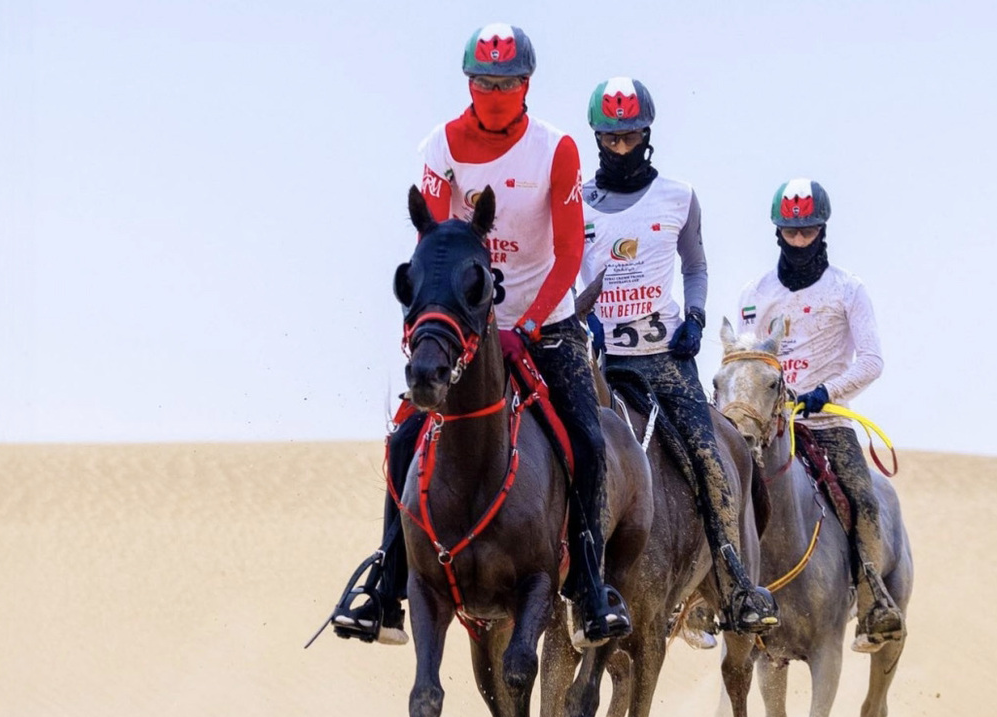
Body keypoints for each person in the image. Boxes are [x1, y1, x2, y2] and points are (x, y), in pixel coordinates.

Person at [331, 23, 629, 646]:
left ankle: (592, 589)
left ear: (526, 85)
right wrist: (428, 326)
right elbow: (434, 249)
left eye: (507, 83)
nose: (495, 92)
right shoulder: (440, 146)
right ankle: (385, 589)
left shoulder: (558, 150)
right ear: (468, 82)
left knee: (588, 440)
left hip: (546, 322)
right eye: (484, 81)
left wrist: (525, 322)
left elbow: (571, 251)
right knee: (404, 437)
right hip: (466, 327)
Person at [582, 77, 778, 634]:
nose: (621, 147)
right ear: (598, 138)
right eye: (611, 138)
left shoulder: (679, 196)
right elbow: (570, 266)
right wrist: (583, 315)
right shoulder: (577, 199)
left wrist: (694, 318)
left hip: (667, 357)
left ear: (647, 134)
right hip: (600, 358)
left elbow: (695, 265)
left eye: (630, 136)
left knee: (709, 457)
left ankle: (736, 582)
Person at [736, 178, 905, 652]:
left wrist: (824, 392)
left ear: (821, 229)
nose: (799, 240)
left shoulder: (848, 290)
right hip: (768, 426)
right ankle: (713, 600)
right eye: (791, 231)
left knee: (864, 501)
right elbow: (748, 359)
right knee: (722, 493)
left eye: (807, 231)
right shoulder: (754, 292)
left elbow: (871, 361)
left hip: (827, 423)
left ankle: (874, 605)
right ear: (778, 231)